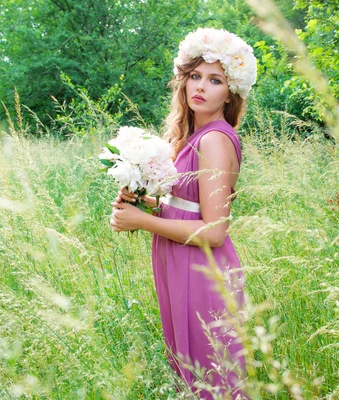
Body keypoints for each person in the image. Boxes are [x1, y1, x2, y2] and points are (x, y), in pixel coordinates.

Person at [109, 28, 257, 399]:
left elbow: (214, 231)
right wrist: (147, 205)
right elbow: (189, 208)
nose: (201, 87)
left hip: (202, 268)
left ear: (230, 92)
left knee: (211, 379)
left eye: (215, 80)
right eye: (195, 76)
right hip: (178, 261)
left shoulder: (214, 140)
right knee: (189, 374)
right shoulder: (194, 136)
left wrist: (143, 222)